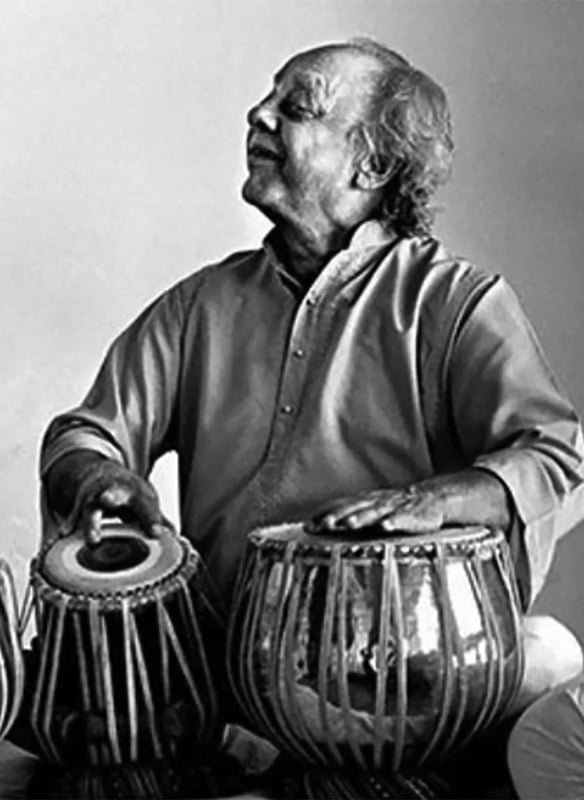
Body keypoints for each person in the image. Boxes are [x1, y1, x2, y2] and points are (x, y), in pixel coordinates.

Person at [39, 37, 584, 794]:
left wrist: (434, 501)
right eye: (269, 97)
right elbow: (85, 432)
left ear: (372, 166)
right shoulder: (200, 308)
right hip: (220, 668)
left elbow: (556, 455)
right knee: (52, 696)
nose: (258, 114)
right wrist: (100, 477)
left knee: (549, 654)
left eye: (296, 107)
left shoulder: (454, 304)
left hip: (399, 673)